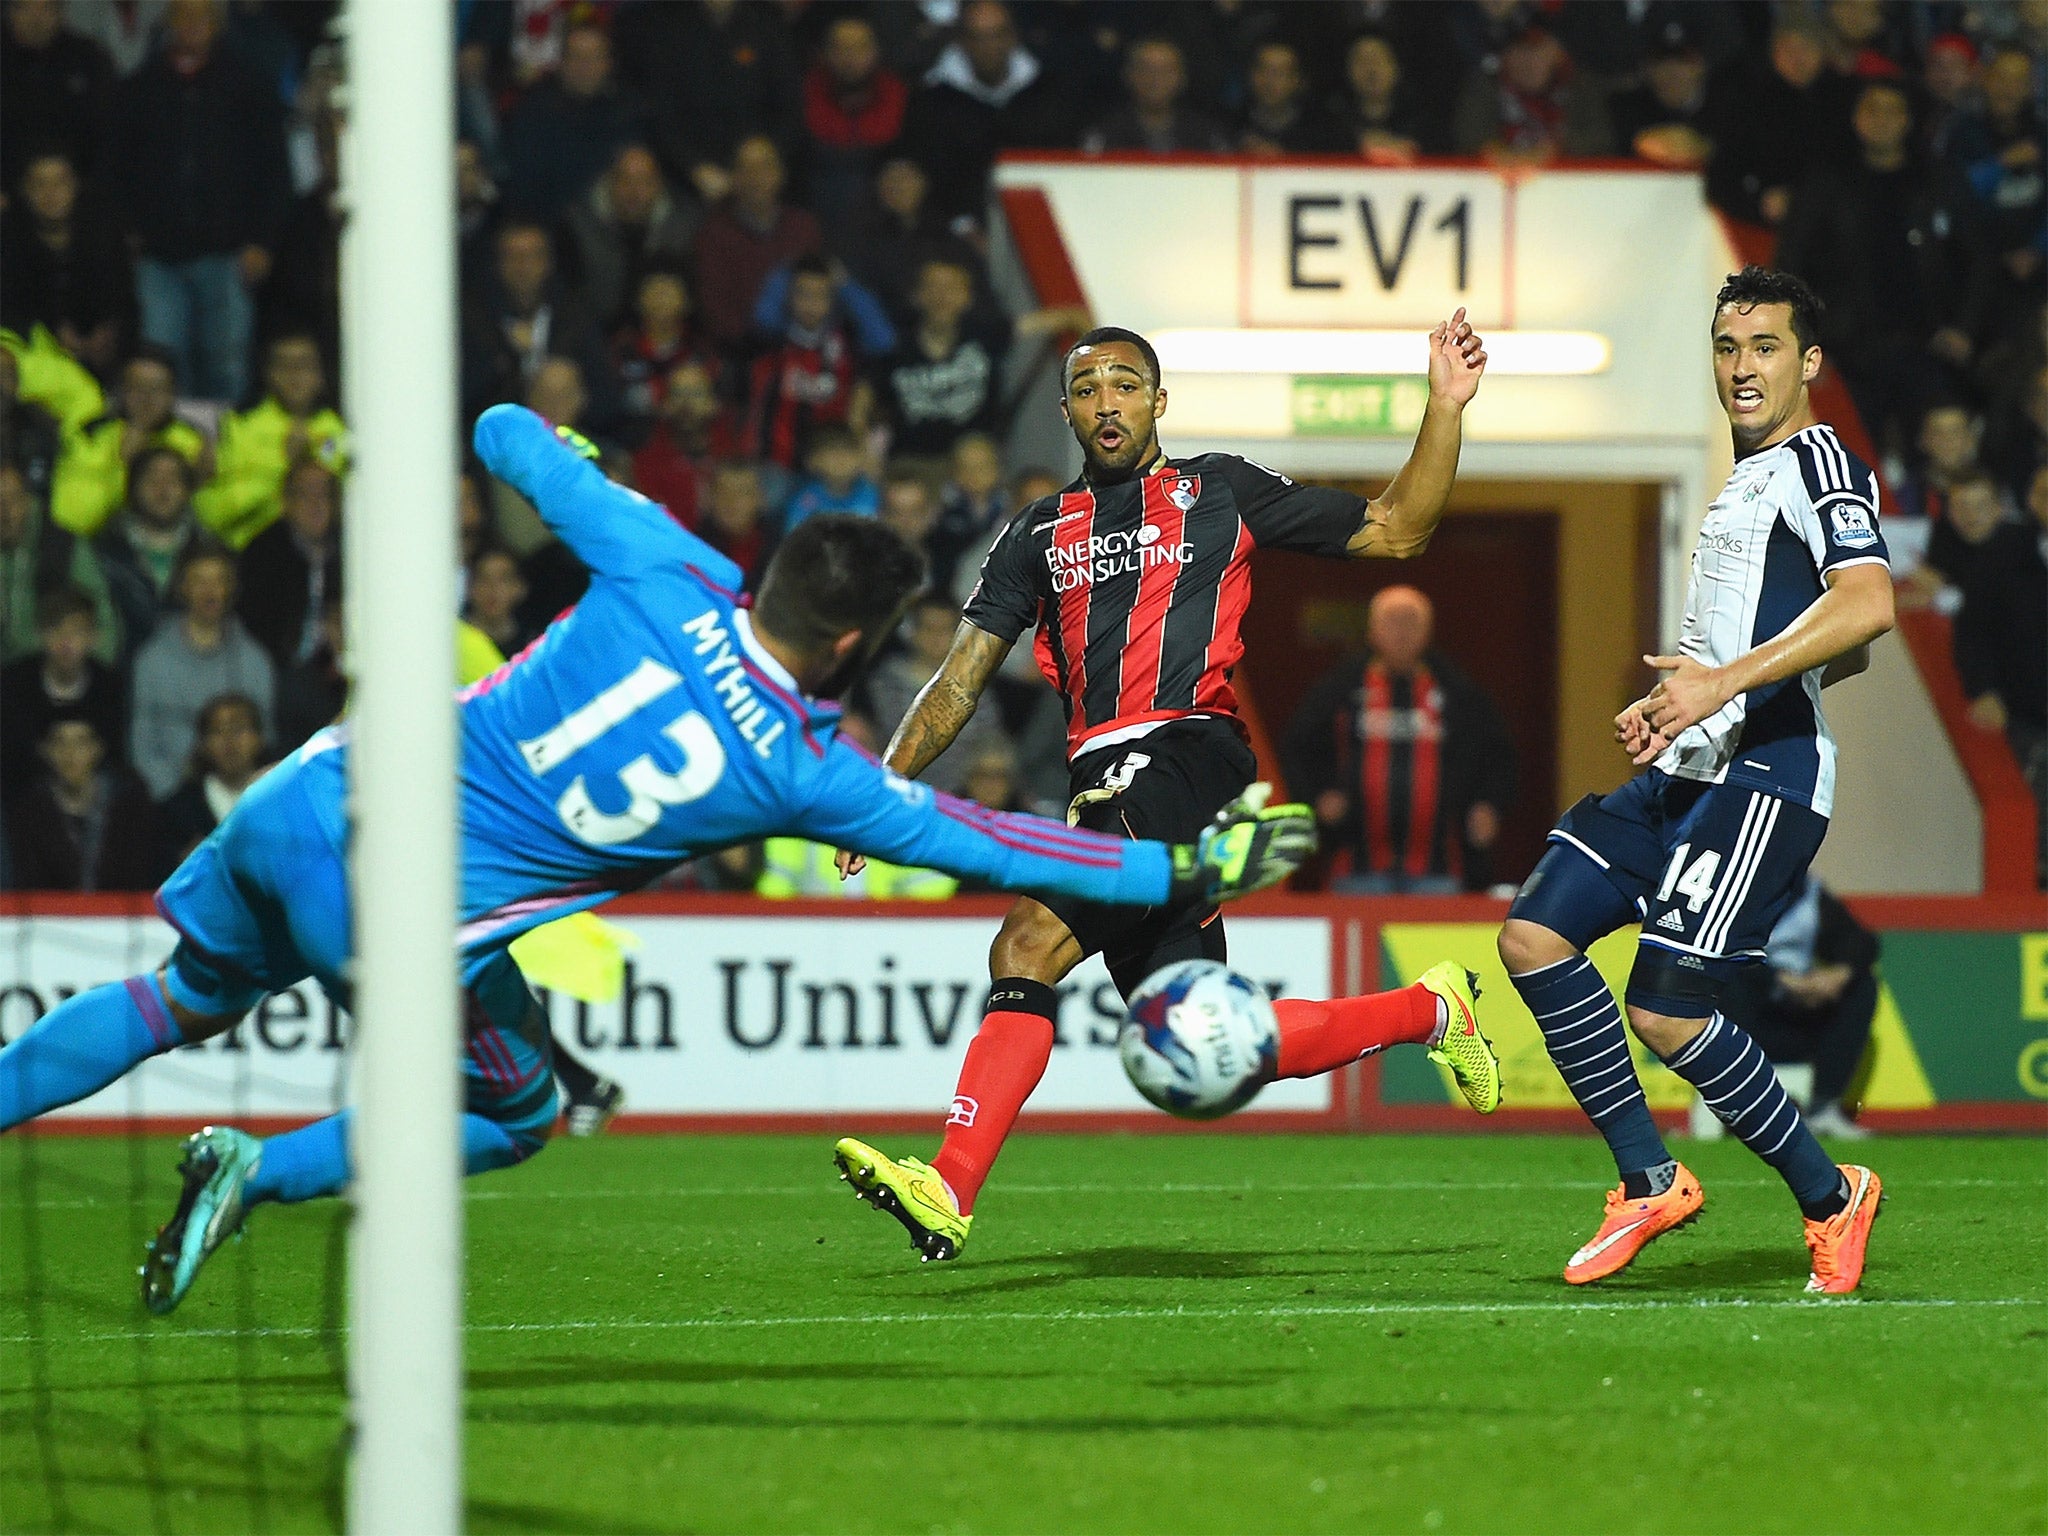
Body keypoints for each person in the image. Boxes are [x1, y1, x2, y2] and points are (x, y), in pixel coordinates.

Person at [0, 406, 1315, 1316]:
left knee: (178, 997)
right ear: (852, 649)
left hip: (306, 800)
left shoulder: (667, 566)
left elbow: (500, 432)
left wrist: (565, 454)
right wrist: (1181, 873)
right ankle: (259, 1170)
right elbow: (991, 843)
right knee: (518, 1113)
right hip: (401, 914)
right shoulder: (803, 768)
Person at [831, 315, 1502, 1264]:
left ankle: (949, 1185)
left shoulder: (1217, 490)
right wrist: (880, 788)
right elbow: (958, 680)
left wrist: (1444, 408)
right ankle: (1431, 1010)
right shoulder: (1036, 533)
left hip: (1185, 750)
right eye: (1087, 389)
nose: (1106, 403)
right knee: (1210, 1034)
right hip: (1101, 777)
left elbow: (1398, 531)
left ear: (1158, 401)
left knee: (1026, 942)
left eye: (1125, 385)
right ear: (1066, 411)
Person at [1495, 267, 1893, 1297]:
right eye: (1726, 347)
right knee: (1533, 937)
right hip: (1689, 768)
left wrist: (1723, 684)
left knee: (1666, 1010)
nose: (1742, 367)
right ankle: (1648, 1179)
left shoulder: (1818, 462)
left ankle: (1830, 1196)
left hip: (1765, 777)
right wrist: (1684, 699)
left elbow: (1867, 606)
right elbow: (1829, 646)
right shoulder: (1743, 478)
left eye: (1765, 347)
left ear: (1808, 363)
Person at [1283, 585, 1516, 895]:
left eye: (1412, 622)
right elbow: (1298, 749)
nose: (1402, 632)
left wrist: (1489, 804)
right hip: (1355, 867)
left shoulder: (1459, 694)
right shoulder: (1338, 691)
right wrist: (1317, 797)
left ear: (1429, 631)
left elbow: (1499, 756)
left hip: (1440, 867)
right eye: (1392, 621)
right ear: (1372, 631)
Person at [114, 0, 289, 404]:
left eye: (203, 16)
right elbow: (118, 169)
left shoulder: (248, 85)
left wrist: (262, 241)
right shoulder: (140, 88)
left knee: (226, 368)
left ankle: (223, 444)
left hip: (228, 255)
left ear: (217, 24)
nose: (193, 24)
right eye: (184, 15)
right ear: (169, 22)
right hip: (159, 258)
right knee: (162, 366)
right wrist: (129, 232)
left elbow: (274, 171)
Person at [1732, 875, 1881, 1142]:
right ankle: (1737, 1109)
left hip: (1798, 1013)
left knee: (1862, 986)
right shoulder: (1736, 892)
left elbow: (1861, 941)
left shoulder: (1809, 893)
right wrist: (1783, 981)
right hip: (1750, 1019)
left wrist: (1836, 976)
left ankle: (1823, 1108)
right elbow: (1725, 952)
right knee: (1732, 985)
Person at [128, 540, 273, 799]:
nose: (210, 591)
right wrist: (179, 800)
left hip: (241, 799)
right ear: (182, 587)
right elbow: (142, 746)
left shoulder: (254, 661)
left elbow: (264, 741)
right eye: (199, 581)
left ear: (231, 588)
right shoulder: (152, 660)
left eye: (219, 580)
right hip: (170, 801)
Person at [193, 333, 349, 548]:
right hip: (246, 554)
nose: (295, 374)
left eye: (304, 364)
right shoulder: (237, 426)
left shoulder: (340, 433)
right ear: (268, 374)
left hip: (319, 553)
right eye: (284, 365)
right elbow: (209, 512)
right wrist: (284, 467)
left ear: (321, 375)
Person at [0, 145, 136, 377]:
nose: (51, 193)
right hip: (31, 365)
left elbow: (123, 301)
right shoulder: (8, 241)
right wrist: (53, 333)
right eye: (40, 184)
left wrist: (106, 333)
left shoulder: (104, 236)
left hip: (104, 361)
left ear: (76, 185)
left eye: (60, 182)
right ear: (24, 189)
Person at [49, 346, 209, 537]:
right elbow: (72, 518)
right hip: (105, 544)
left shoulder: (194, 441)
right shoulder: (90, 436)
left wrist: (201, 482)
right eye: (138, 388)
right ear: (121, 391)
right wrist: (121, 469)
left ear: (173, 393)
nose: (147, 399)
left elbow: (210, 521)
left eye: (157, 388)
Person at [692, 136, 823, 356]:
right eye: (747, 168)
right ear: (734, 177)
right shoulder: (713, 234)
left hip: (801, 350)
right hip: (737, 353)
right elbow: (715, 312)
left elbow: (820, 294)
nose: (757, 177)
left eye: (765, 167)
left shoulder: (804, 228)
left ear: (781, 174)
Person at [498, 19, 637, 222]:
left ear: (608, 64)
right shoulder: (534, 113)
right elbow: (524, 187)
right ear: (561, 62)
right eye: (577, 57)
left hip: (611, 226)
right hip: (550, 225)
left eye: (594, 58)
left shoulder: (626, 113)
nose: (585, 67)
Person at [3, 713, 157, 891]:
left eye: (81, 742)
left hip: (119, 907)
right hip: (50, 908)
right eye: (59, 742)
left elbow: (141, 874)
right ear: (45, 750)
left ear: (97, 748)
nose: (70, 753)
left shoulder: (129, 809)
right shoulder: (28, 813)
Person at [0, 583, 125, 796]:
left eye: (76, 632)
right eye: (56, 630)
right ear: (41, 634)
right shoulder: (13, 683)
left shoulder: (109, 687)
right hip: (20, 795)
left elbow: (112, 759)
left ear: (93, 637)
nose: (65, 642)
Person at [567, 147, 698, 335]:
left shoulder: (683, 228)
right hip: (593, 335)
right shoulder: (577, 227)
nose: (634, 191)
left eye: (644, 182)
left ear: (659, 185)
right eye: (625, 180)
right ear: (609, 182)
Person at [93, 443, 198, 657]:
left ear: (187, 490)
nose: (163, 488)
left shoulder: (210, 554)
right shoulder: (102, 555)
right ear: (133, 488)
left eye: (173, 479)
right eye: (152, 479)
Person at [235, 459, 341, 668]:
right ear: (287, 502)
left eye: (324, 494)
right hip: (278, 668)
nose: (315, 504)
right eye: (305, 495)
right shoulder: (262, 554)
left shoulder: (351, 551)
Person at [155, 690, 267, 868]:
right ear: (203, 744)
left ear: (259, 738)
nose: (230, 742)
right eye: (217, 731)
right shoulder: (177, 812)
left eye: (239, 729)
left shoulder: (281, 799)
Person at [1080, 35, 1231, 156]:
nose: (1156, 79)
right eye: (1147, 70)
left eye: (1165, 71)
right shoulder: (1105, 135)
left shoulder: (1206, 136)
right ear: (1129, 75)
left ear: (1182, 78)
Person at [782, 424, 879, 531]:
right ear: (813, 461)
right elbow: (795, 536)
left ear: (861, 458)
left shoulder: (873, 494)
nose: (840, 458)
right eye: (831, 452)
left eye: (848, 451)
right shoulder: (806, 499)